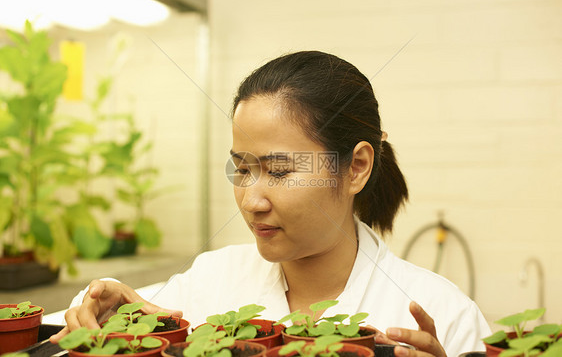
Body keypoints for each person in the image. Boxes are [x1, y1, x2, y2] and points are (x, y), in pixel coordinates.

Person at [50, 51, 490, 357]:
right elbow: (83, 317)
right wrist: (109, 311)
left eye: (279, 171)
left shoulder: (443, 316)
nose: (251, 200)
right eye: (241, 169)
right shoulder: (213, 280)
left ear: (356, 167)